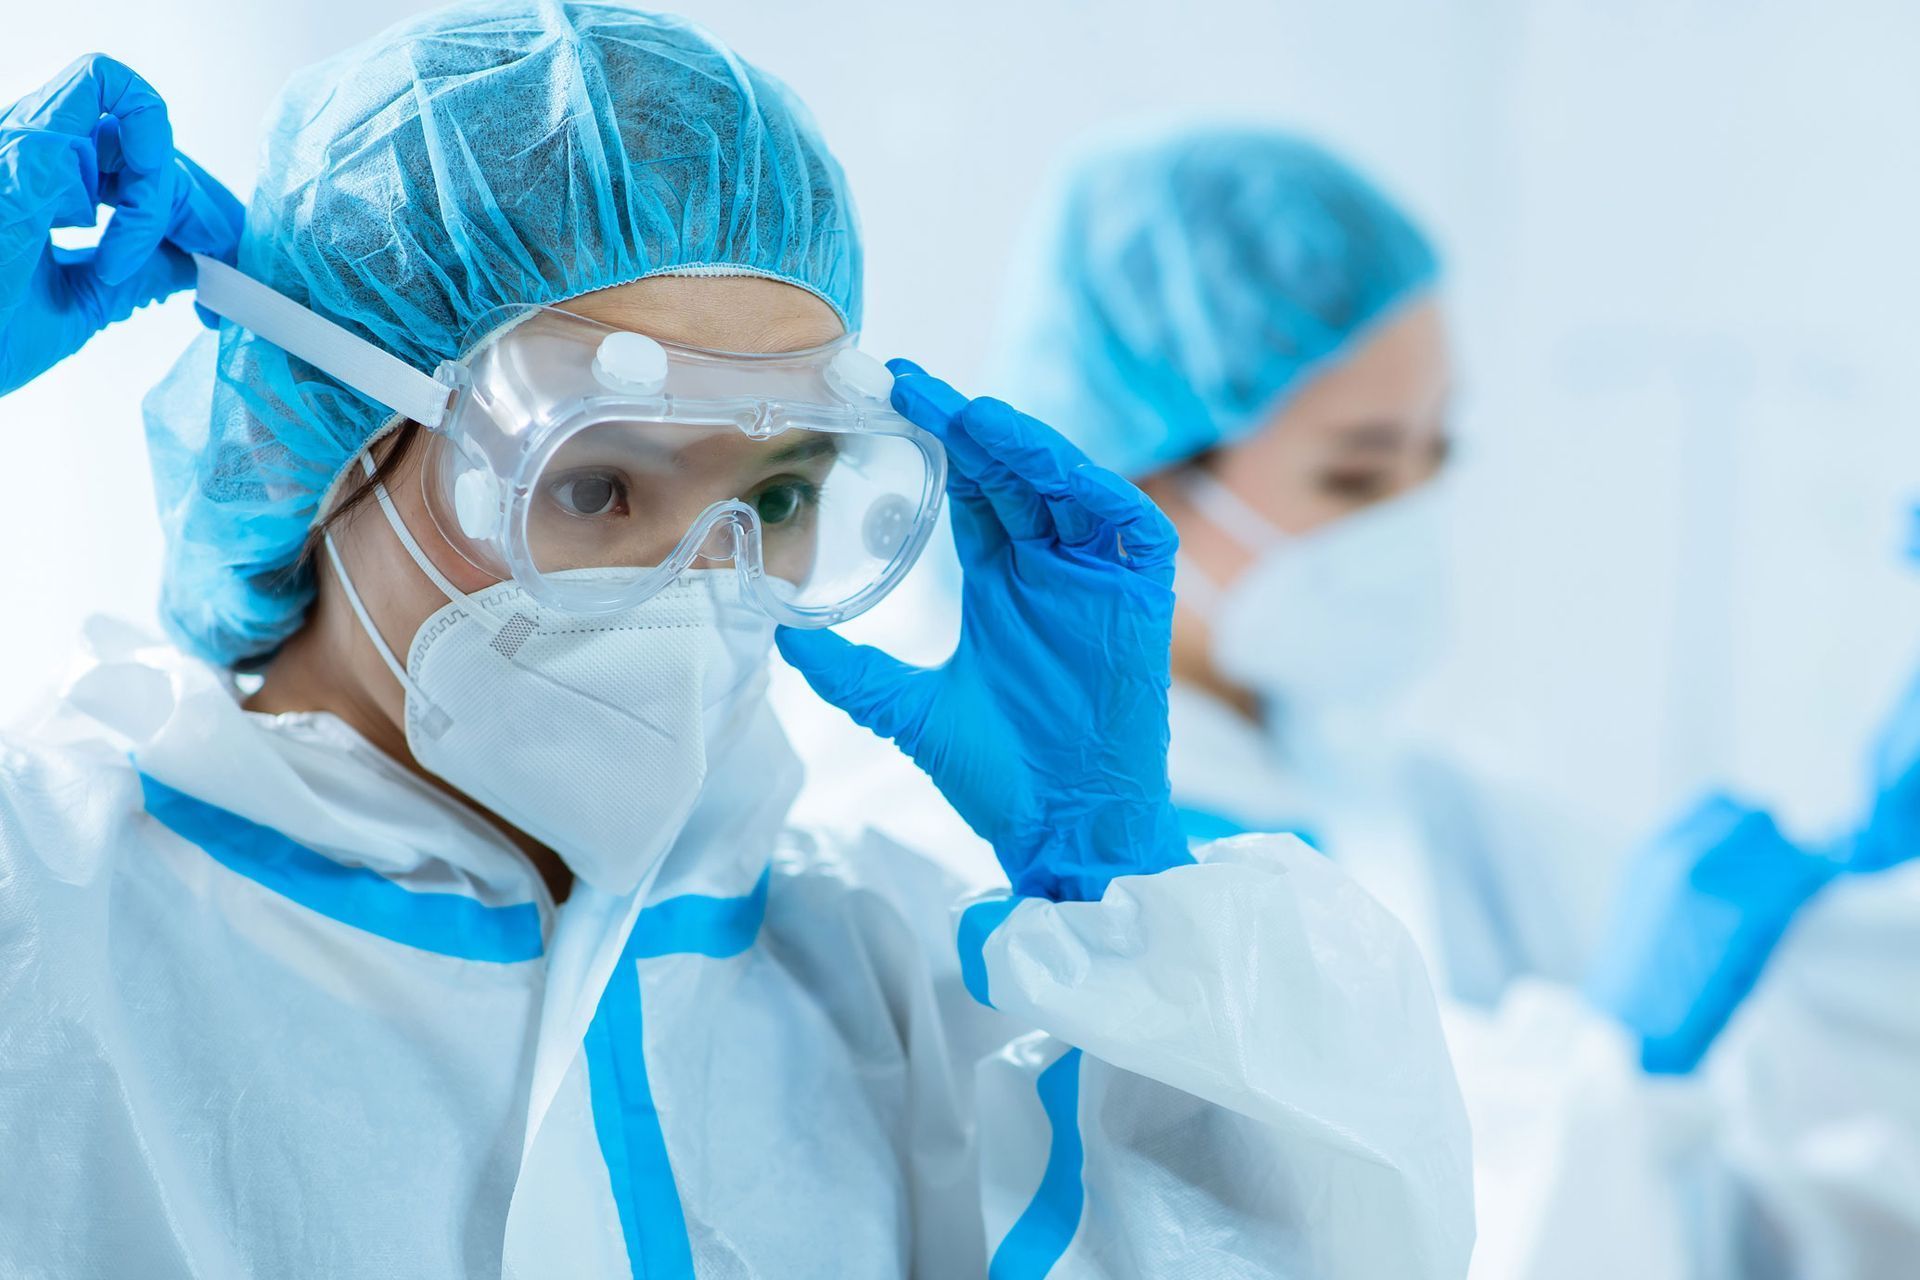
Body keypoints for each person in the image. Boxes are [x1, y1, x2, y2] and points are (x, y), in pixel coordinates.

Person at [0, 9, 1476, 1278]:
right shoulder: (54, 919)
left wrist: (1126, 912)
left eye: (774, 493)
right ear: (324, 457)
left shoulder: (886, 982)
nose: (698, 581)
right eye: (596, 485)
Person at [984, 126, 1920, 1279]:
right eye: (1359, 473)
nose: (1413, 518)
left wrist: (1864, 912)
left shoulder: (1397, 798)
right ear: (1127, 476)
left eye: (1440, 454)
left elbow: (1769, 1109)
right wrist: (1612, 1072)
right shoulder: (1014, 861)